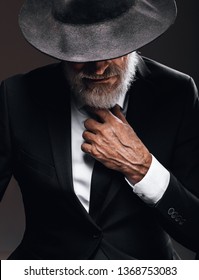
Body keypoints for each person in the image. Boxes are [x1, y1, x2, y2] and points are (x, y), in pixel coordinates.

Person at [0, 0, 199, 260]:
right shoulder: (16, 96)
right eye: (83, 54)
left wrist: (144, 168)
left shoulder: (178, 93)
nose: (99, 68)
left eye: (111, 49)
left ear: (133, 37)